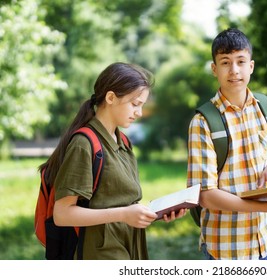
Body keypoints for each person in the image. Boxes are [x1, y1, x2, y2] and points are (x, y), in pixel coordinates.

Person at [39, 62, 185, 260]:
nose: (140, 113)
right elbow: (63, 214)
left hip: (130, 247)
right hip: (100, 255)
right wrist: (124, 214)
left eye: (142, 105)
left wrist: (154, 213)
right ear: (110, 97)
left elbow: (121, 201)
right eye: (135, 104)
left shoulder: (123, 141)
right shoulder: (84, 144)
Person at [186, 28, 267, 260]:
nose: (234, 70)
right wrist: (263, 207)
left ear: (251, 66)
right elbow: (205, 195)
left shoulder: (263, 106)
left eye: (241, 61)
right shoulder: (203, 122)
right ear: (214, 69)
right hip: (227, 248)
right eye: (226, 62)